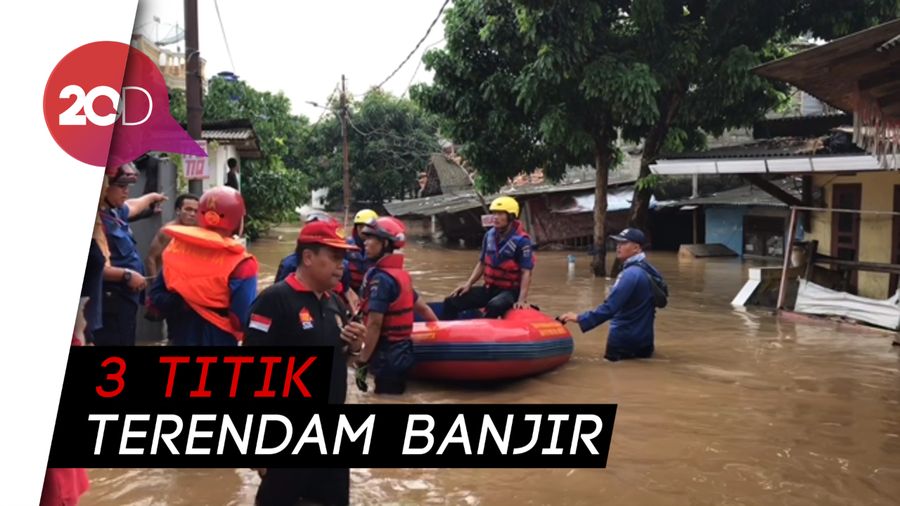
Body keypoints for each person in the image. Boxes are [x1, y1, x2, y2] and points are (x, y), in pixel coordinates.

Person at [244, 219, 367, 506]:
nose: (341, 267)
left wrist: (355, 345)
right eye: (334, 258)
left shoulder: (333, 303)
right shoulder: (275, 300)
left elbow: (348, 360)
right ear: (308, 257)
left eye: (343, 259)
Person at [148, 186, 258, 346]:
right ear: (237, 221)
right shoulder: (243, 263)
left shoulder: (176, 247)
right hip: (220, 338)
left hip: (180, 334)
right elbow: (240, 319)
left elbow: (156, 296)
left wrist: (186, 301)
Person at [356, 217, 437, 395]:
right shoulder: (401, 276)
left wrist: (362, 361)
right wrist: (439, 328)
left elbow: (375, 324)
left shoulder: (381, 279)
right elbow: (423, 309)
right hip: (403, 352)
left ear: (384, 243)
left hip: (388, 355)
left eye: (371, 239)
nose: (365, 243)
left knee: (384, 398)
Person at [558, 228, 665, 361]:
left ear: (636, 248)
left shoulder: (630, 274)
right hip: (645, 339)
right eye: (618, 243)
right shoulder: (649, 269)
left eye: (623, 243)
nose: (618, 247)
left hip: (623, 340)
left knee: (613, 374)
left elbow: (610, 308)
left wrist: (580, 318)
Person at [94, 163, 167, 346]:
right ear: (104, 186)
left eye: (128, 187)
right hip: (109, 302)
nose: (126, 192)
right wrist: (126, 275)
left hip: (126, 301)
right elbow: (94, 268)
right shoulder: (97, 224)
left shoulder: (114, 211)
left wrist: (152, 197)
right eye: (121, 187)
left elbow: (133, 205)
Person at [442, 196, 535, 320]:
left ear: (511, 216)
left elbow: (526, 272)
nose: (495, 217)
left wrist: (521, 299)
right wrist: (468, 284)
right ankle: (448, 331)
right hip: (489, 288)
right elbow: (482, 263)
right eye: (494, 213)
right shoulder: (489, 235)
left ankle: (485, 331)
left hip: (510, 291)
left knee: (494, 305)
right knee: (451, 301)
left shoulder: (522, 241)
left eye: (500, 213)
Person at [145, 193, 199, 278]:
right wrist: (153, 284)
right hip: (166, 282)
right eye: (188, 209)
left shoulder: (200, 231)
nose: (192, 214)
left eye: (196, 211)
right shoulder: (168, 231)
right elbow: (151, 258)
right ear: (178, 210)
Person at [341, 209, 378, 295]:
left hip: (370, 289)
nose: (363, 231)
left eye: (367, 227)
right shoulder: (346, 245)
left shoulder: (380, 249)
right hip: (349, 287)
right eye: (360, 227)